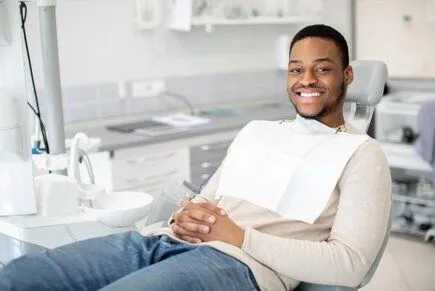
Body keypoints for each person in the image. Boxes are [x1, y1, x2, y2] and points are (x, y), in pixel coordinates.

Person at [0, 24, 391, 291]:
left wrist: (240, 238)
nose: (307, 80)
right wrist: (182, 216)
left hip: (240, 267)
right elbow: (207, 198)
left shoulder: (361, 153)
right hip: (161, 241)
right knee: (22, 276)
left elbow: (351, 263)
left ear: (348, 76)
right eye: (296, 69)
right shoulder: (258, 131)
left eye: (322, 69)